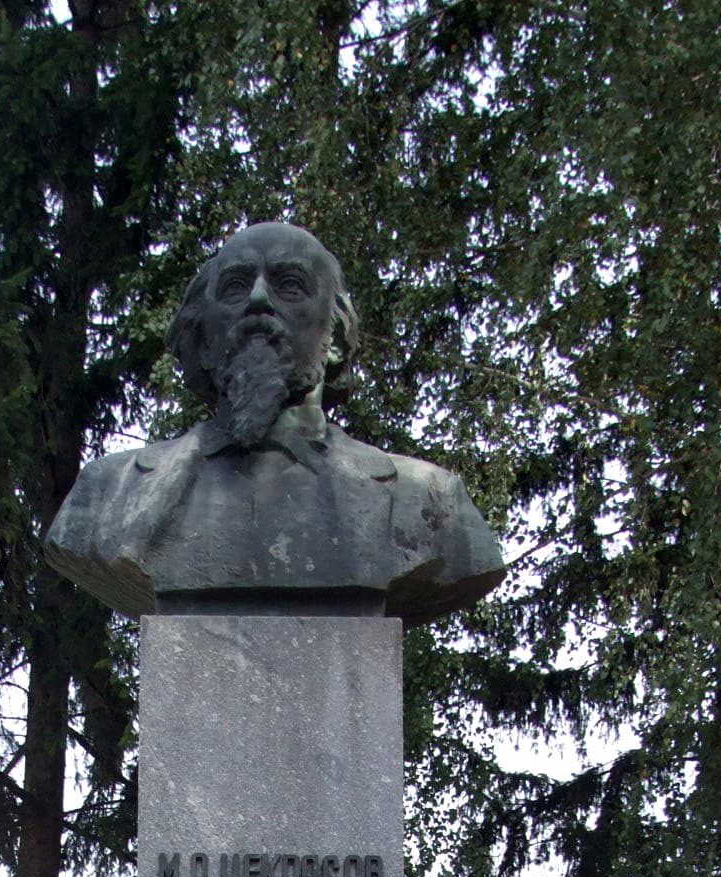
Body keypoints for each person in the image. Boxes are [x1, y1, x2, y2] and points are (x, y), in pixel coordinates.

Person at [45, 221, 506, 624]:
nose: (258, 300)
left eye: (290, 285)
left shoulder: (431, 502)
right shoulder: (109, 493)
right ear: (201, 336)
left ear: (335, 335)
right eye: (235, 287)